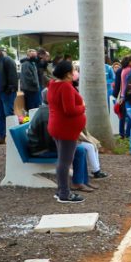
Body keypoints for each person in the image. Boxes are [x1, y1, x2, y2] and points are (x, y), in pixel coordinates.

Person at [27, 88, 95, 192]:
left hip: (45, 146)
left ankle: (83, 181)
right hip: (42, 150)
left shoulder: (48, 110)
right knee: (80, 150)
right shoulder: (46, 114)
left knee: (80, 149)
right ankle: (77, 183)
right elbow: (50, 141)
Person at [46, 61, 87, 204]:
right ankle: (64, 193)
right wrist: (82, 107)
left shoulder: (53, 84)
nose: (75, 72)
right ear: (67, 73)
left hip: (57, 126)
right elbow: (69, 110)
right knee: (65, 162)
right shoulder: (65, 87)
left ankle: (61, 190)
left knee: (62, 160)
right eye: (73, 70)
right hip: (65, 129)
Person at [114, 55, 131, 139]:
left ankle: (122, 133)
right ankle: (128, 134)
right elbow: (129, 85)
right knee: (130, 116)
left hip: (122, 95)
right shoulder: (129, 70)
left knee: (122, 116)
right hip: (127, 96)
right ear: (130, 62)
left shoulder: (123, 70)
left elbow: (120, 85)